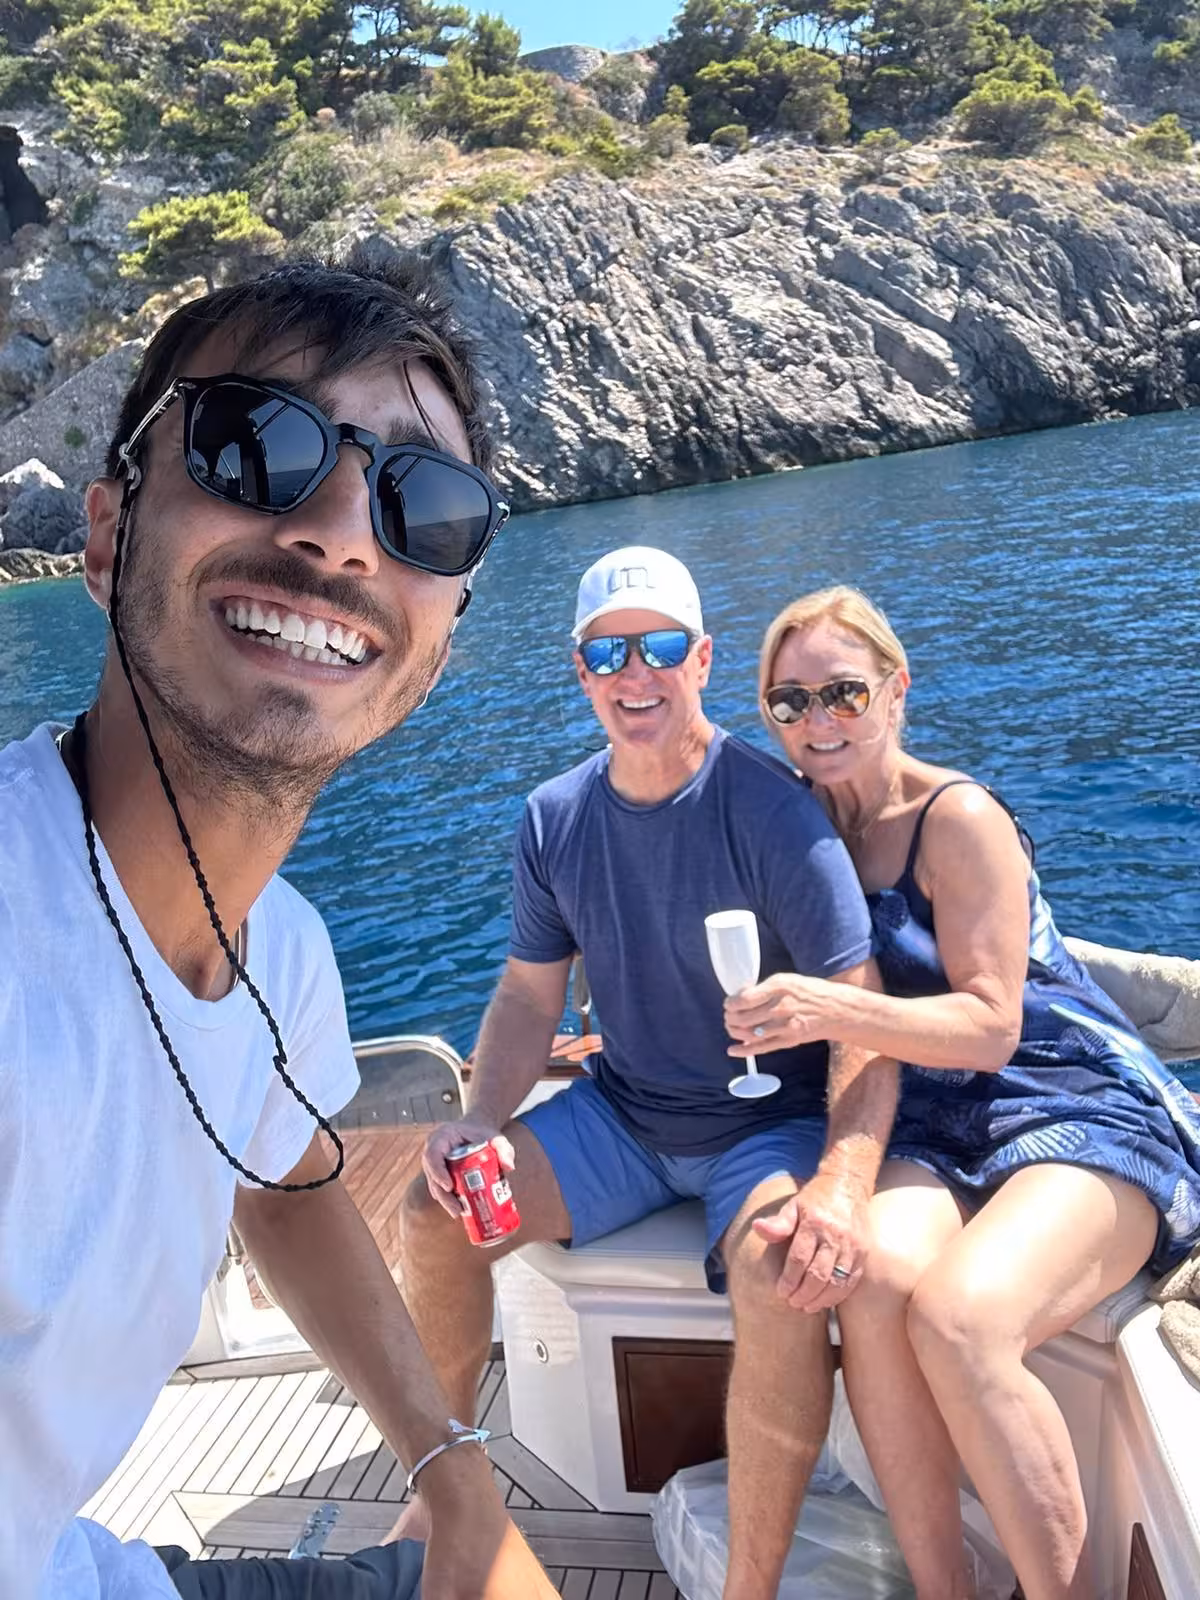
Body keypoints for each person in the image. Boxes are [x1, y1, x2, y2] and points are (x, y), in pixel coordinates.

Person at [0, 248, 561, 1600]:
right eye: (255, 445)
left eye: (425, 506)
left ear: (440, 642)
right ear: (108, 530)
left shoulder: (285, 952)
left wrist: (449, 1463)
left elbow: (291, 1175)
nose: (341, 534)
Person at [399, 546, 899, 1600]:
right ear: (581, 671)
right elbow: (531, 996)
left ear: (703, 659)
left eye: (661, 646)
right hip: (624, 1118)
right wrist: (481, 1118)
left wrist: (843, 1186)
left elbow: (862, 1008)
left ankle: (746, 1587)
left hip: (769, 1123)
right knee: (435, 1211)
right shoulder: (554, 818)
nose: (637, 673)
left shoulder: (768, 807)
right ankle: (445, 1495)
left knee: (781, 1266)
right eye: (609, 651)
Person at [727, 585, 1200, 1600]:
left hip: (1070, 1104)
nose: (818, 724)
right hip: (932, 1124)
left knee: (959, 1320)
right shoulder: (801, 828)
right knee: (874, 1277)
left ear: (897, 691)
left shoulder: (958, 817)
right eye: (790, 702)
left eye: (844, 693)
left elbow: (993, 1027)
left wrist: (824, 1008)